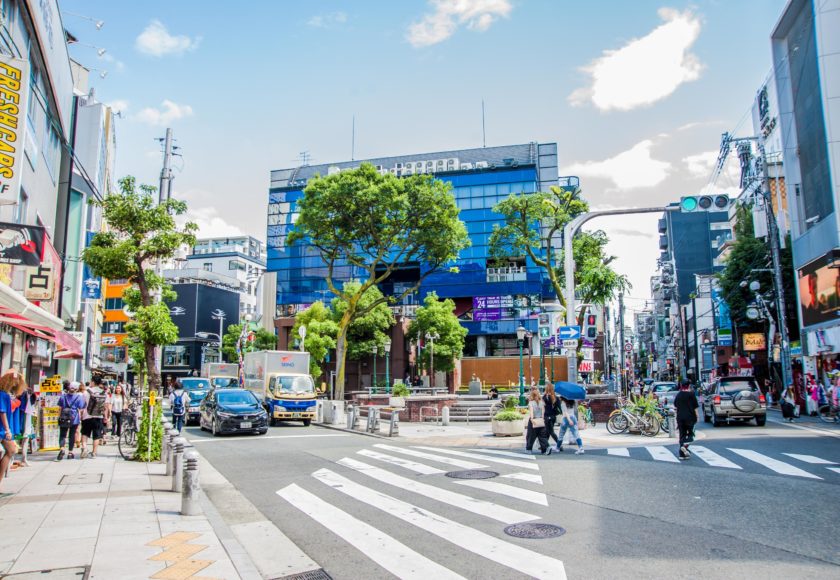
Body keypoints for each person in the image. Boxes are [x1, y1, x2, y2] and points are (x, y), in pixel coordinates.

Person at [0, 370, 25, 496]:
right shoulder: (3, 395)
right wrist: (7, 430)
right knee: (11, 450)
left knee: (11, 451)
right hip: (2, 430)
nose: (16, 384)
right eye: (15, 381)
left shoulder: (4, 394)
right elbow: (2, 412)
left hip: (3, 430)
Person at [57, 382, 85, 460]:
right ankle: (70, 452)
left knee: (62, 434)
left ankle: (62, 449)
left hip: (63, 417)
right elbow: (81, 408)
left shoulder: (63, 397)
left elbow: (59, 408)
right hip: (74, 418)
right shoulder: (79, 397)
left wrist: (59, 417)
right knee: (72, 435)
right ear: (76, 389)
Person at [81, 377, 107, 458]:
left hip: (87, 416)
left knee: (85, 433)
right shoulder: (103, 392)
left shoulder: (86, 392)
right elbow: (105, 406)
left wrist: (81, 414)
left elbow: (82, 404)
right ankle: (94, 453)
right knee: (96, 435)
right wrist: (105, 417)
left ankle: (84, 448)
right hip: (98, 416)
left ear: (92, 382)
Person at [673, 382, 699, 460]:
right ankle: (685, 446)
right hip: (690, 417)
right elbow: (695, 407)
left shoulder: (678, 395)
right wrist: (697, 416)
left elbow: (675, 406)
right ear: (689, 386)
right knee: (691, 434)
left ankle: (682, 454)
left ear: (681, 386)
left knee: (682, 435)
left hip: (680, 417)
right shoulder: (691, 394)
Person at [525, 388, 551, 455]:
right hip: (541, 420)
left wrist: (532, 419)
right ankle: (546, 448)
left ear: (532, 395)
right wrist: (542, 418)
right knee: (542, 436)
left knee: (530, 436)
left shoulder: (531, 403)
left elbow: (531, 412)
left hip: (534, 421)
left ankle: (529, 449)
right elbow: (543, 412)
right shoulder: (542, 402)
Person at [543, 383, 561, 450]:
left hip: (547, 416)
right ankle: (545, 445)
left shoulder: (545, 397)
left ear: (547, 389)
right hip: (553, 417)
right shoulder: (556, 398)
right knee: (548, 431)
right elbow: (559, 408)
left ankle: (559, 445)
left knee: (551, 432)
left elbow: (542, 406)